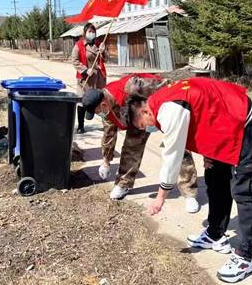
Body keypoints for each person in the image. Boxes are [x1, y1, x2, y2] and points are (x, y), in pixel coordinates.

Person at [124, 77, 252, 283]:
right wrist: (209, 150)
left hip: (244, 124)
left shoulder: (168, 110)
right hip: (223, 127)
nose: (146, 129)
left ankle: (245, 257)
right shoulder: (160, 101)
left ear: (145, 112)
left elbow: (172, 156)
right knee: (216, 180)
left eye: (142, 125)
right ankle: (215, 234)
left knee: (246, 191)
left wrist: (160, 197)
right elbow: (203, 113)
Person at [81, 74, 200, 213]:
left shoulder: (132, 86)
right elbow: (109, 135)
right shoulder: (107, 111)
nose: (100, 114)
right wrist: (106, 161)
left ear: (103, 105)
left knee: (178, 148)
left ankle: (189, 192)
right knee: (131, 148)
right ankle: (123, 183)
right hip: (137, 122)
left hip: (156, 112)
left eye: (98, 112)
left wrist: (175, 112)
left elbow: (170, 87)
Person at [71, 23, 106, 134]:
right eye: (89, 31)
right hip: (84, 79)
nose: (92, 33)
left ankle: (105, 124)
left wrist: (103, 51)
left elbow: (105, 59)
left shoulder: (99, 44)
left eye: (93, 32)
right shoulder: (79, 45)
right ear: (85, 33)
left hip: (98, 79)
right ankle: (81, 126)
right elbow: (74, 60)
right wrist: (85, 70)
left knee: (101, 101)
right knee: (82, 101)